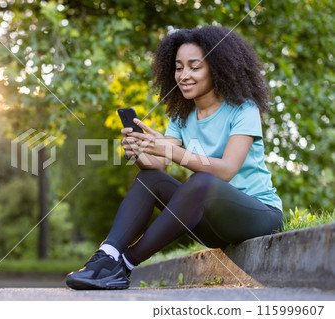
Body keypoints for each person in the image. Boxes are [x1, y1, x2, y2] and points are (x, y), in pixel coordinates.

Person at [66, 26, 283, 290]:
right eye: (179, 68)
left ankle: (124, 264)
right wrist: (138, 151)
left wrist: (169, 149)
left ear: (217, 68)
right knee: (149, 178)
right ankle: (107, 255)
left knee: (200, 182)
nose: (184, 75)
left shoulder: (243, 109)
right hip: (213, 226)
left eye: (195, 67)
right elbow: (157, 164)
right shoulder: (182, 117)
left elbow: (226, 170)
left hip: (258, 216)